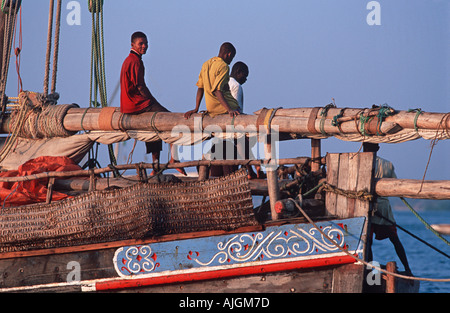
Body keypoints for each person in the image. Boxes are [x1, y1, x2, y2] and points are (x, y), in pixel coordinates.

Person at [120, 31, 185, 176]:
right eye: (141, 44)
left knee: (153, 130)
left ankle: (155, 168)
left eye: (146, 43)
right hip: (137, 103)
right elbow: (140, 86)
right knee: (171, 119)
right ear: (133, 45)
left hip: (128, 105)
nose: (144, 46)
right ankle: (175, 158)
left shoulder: (129, 60)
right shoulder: (135, 61)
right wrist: (152, 101)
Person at [184, 42, 240, 177]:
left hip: (212, 110)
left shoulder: (206, 64)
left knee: (222, 146)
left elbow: (200, 87)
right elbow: (217, 90)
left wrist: (196, 108)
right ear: (229, 54)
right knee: (238, 144)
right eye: (231, 58)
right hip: (226, 110)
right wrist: (229, 110)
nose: (230, 61)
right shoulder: (224, 66)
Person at [364, 142, 412, 275]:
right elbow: (394, 185)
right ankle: (408, 269)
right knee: (395, 240)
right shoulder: (388, 164)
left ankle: (368, 270)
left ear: (363, 147)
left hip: (368, 207)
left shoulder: (360, 163)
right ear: (378, 148)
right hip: (384, 208)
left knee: (368, 242)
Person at [228, 61, 265, 179]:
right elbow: (237, 109)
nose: (246, 79)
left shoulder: (225, 83)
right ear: (239, 72)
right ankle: (252, 169)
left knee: (243, 144)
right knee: (243, 143)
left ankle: (252, 169)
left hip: (223, 122)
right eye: (245, 75)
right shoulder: (237, 86)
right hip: (234, 123)